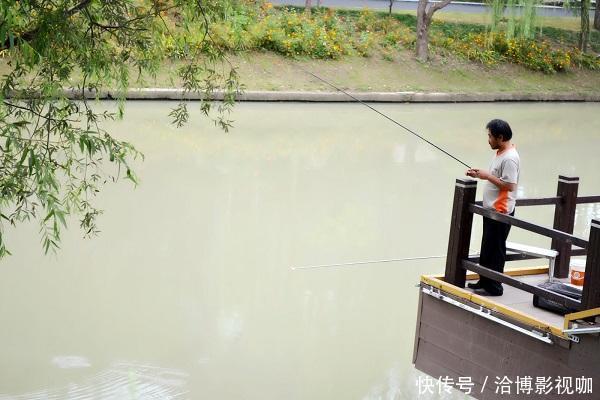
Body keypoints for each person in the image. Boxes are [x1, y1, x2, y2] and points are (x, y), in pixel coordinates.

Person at [465, 119, 520, 296]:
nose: (488, 139)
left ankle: (494, 287)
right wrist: (480, 174)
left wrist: (486, 176)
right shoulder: (500, 153)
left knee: (495, 250)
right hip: (492, 210)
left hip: (501, 211)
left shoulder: (510, 158)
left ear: (500, 137)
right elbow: (496, 177)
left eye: (490, 136)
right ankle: (484, 281)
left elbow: (510, 185)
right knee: (487, 248)